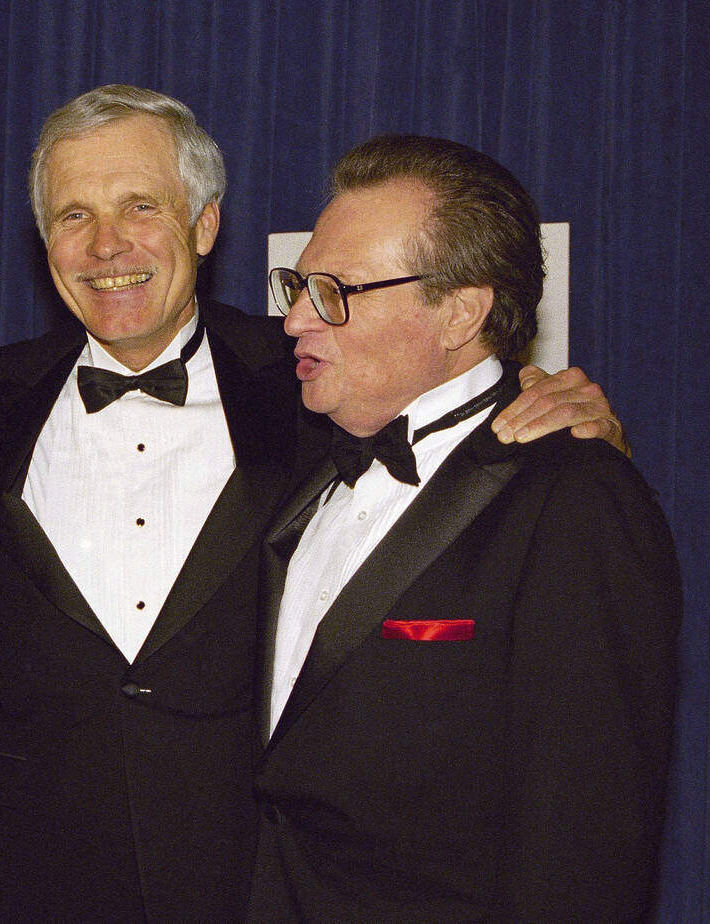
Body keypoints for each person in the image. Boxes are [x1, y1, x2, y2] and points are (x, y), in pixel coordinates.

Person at [0, 87, 626, 922]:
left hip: (251, 888)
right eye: (73, 214)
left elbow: (442, 429)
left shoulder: (304, 381)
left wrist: (544, 403)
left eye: (138, 206)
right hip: (26, 888)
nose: (106, 244)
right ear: (44, 244)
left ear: (204, 224)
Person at [250, 135, 679, 921]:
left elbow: (583, 853)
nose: (295, 320)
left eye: (333, 290)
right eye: (297, 285)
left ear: (459, 312)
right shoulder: (302, 464)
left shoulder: (577, 500)